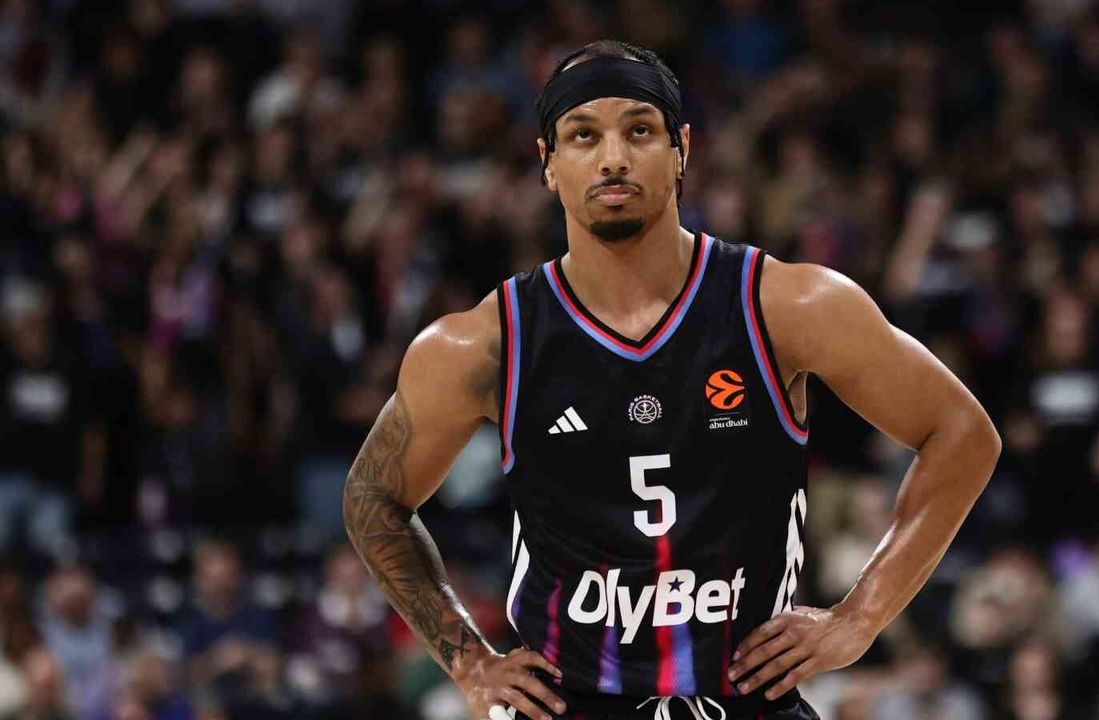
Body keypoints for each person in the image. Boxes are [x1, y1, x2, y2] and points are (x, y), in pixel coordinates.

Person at [343, 40, 1001, 720]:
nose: (613, 157)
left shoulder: (787, 306)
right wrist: (468, 659)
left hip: (748, 699)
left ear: (682, 148)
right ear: (548, 163)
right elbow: (372, 496)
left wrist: (860, 617)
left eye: (639, 130)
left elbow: (961, 433)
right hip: (571, 704)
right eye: (583, 135)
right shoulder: (485, 342)